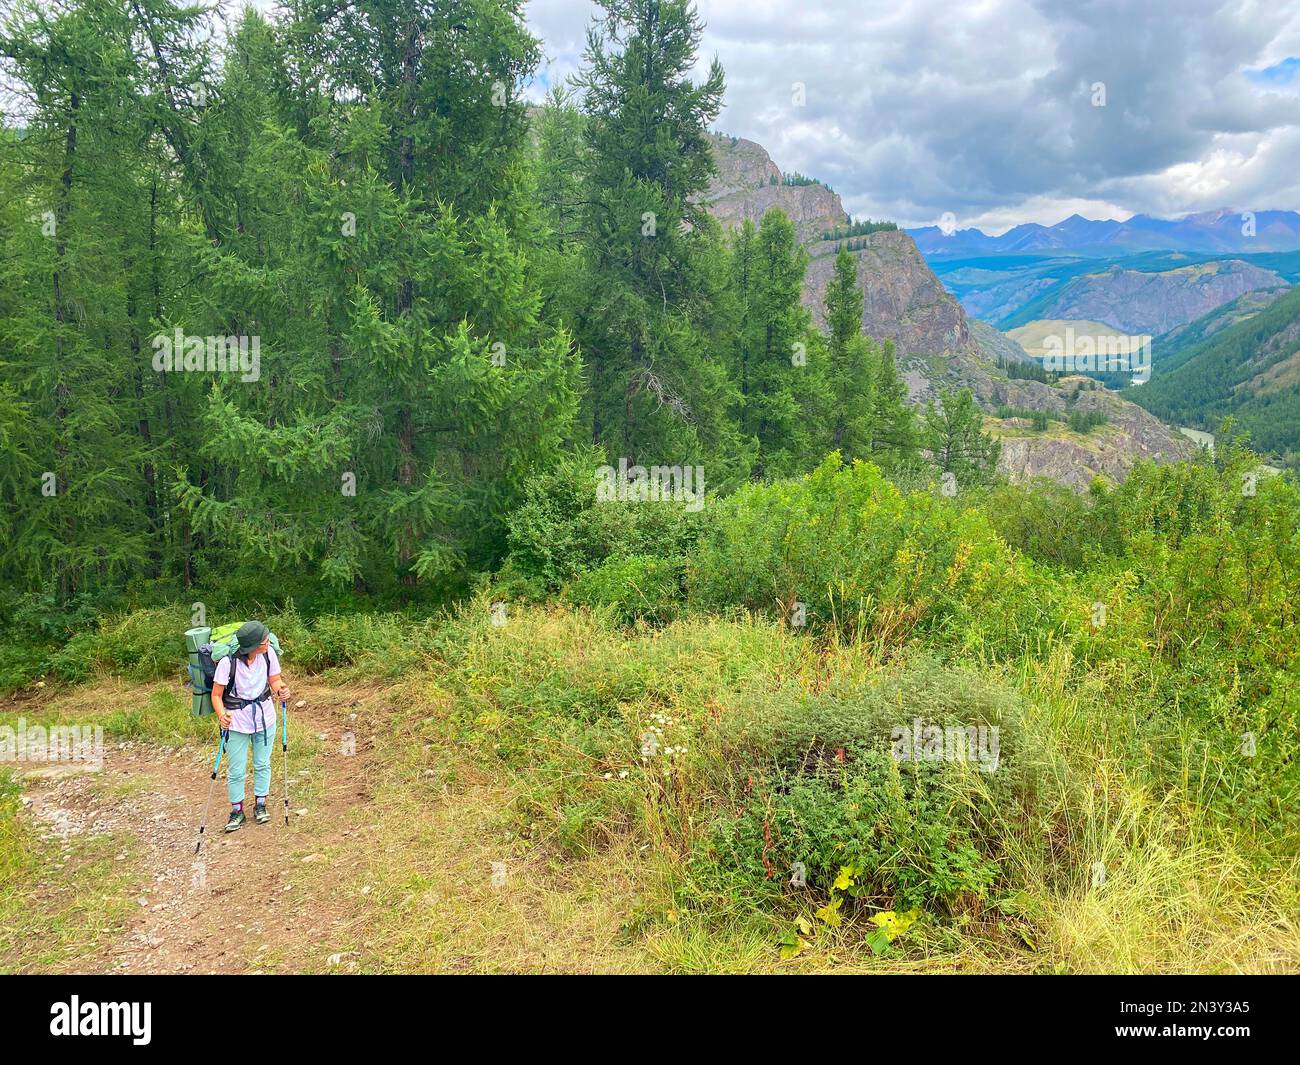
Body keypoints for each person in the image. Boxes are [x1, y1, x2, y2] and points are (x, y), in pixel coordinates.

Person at [209, 620, 291, 831]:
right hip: (236, 721)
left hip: (265, 717)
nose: (268, 642)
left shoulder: (268, 653)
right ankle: (237, 811)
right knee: (237, 770)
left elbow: (274, 680)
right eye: (264, 640)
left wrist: (281, 689)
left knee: (262, 764)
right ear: (253, 646)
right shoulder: (228, 662)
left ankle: (261, 805)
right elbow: (216, 695)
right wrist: (221, 716)